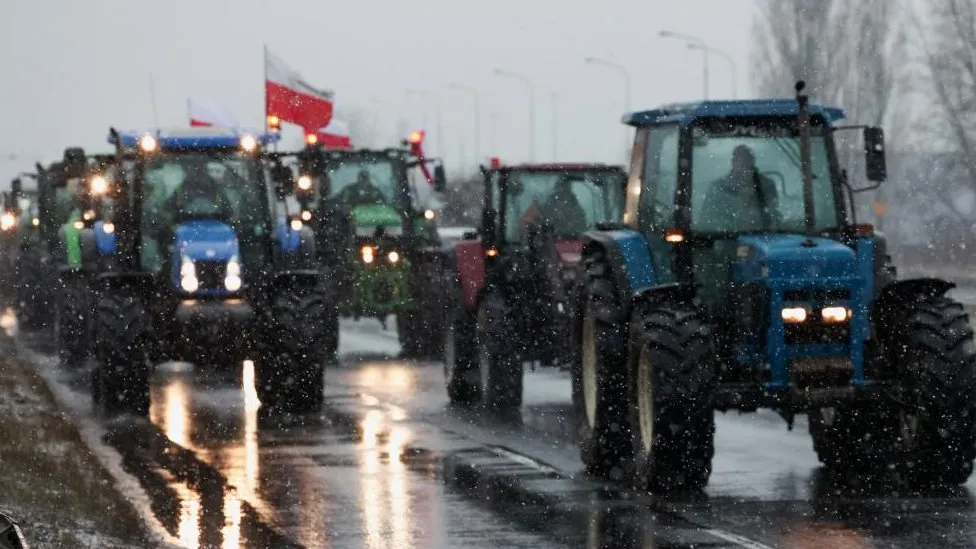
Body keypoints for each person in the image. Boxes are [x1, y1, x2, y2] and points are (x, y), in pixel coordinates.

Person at [699, 145, 780, 232]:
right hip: (726, 237)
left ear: (753, 162)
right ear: (733, 162)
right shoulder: (718, 188)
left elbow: (772, 212)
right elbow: (707, 219)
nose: (744, 168)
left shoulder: (767, 185)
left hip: (762, 235)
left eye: (747, 162)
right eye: (741, 162)